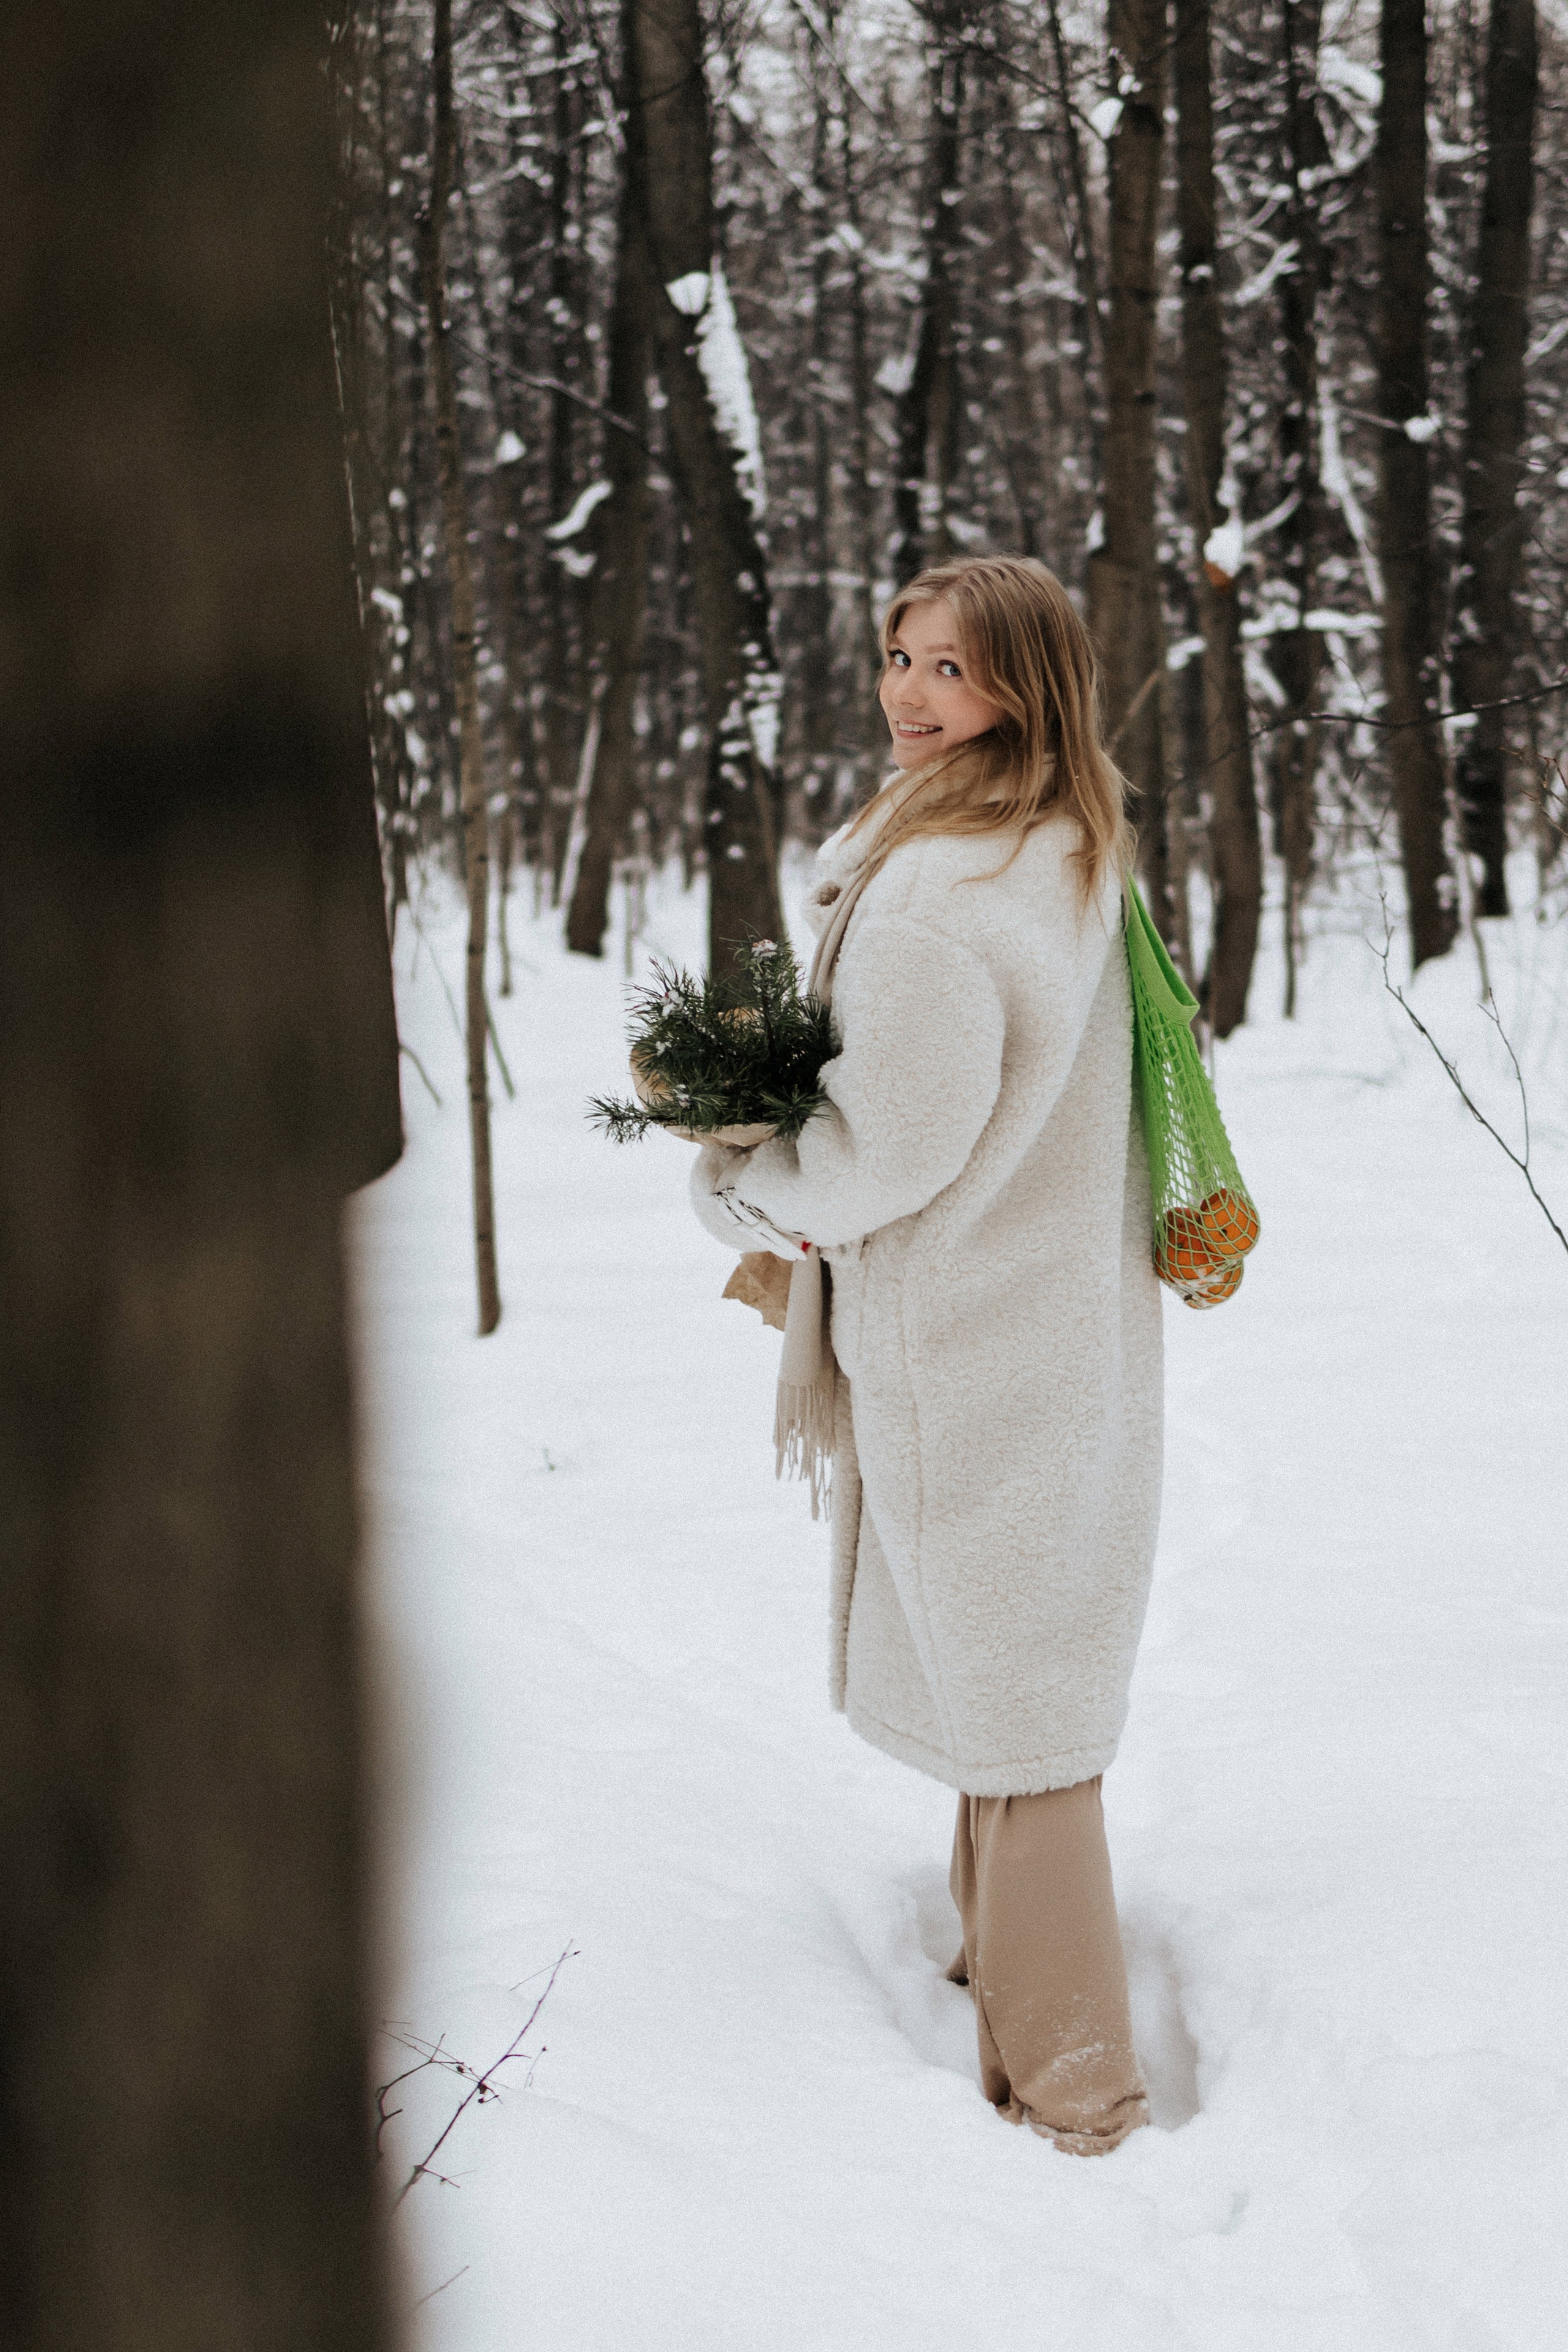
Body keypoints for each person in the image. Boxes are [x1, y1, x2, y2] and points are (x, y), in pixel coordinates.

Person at [690, 554, 1163, 2155]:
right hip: (1055, 1320)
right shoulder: (1066, 850)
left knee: (1018, 1712)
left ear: (1022, 687)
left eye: (949, 669)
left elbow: (887, 1146)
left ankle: (1081, 2096)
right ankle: (996, 1967)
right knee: (1011, 1659)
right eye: (898, 656)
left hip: (966, 1333)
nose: (906, 692)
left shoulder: (937, 902)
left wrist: (742, 1178)